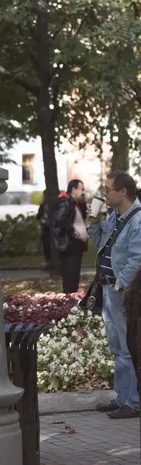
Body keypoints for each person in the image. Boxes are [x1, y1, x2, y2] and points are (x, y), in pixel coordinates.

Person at [88, 171, 141, 419]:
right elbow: (99, 244)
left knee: (126, 346)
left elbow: (137, 258)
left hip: (122, 291)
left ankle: (132, 402)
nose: (105, 193)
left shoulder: (137, 220)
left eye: (109, 189)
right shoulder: (115, 216)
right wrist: (94, 220)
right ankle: (122, 398)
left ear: (123, 192)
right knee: (117, 346)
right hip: (108, 288)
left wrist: (121, 285)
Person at [53, 180, 88, 294]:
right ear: (73, 189)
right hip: (69, 245)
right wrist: (73, 231)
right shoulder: (65, 201)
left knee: (73, 276)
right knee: (70, 277)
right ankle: (69, 301)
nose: (83, 192)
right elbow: (60, 219)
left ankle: (72, 298)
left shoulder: (74, 203)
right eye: (81, 189)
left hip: (75, 245)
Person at [37, 191, 51, 270]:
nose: (45, 197)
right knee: (46, 246)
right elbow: (38, 216)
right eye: (45, 196)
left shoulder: (54, 205)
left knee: (51, 245)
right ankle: (48, 262)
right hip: (45, 227)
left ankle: (52, 262)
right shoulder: (42, 205)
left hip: (52, 228)